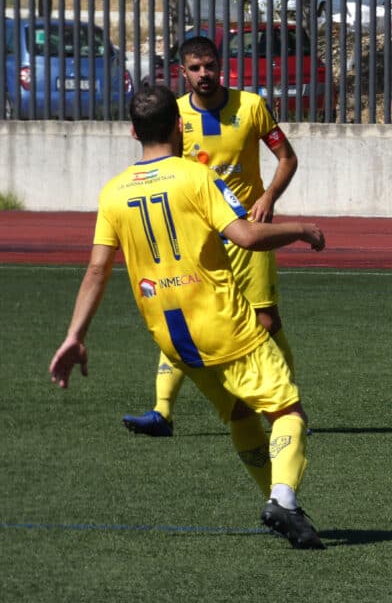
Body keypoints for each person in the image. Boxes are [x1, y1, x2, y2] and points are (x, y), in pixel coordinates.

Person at [49, 85, 328, 549]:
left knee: (240, 413)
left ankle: (285, 507)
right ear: (179, 127)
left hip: (171, 336)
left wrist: (75, 335)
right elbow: (245, 236)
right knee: (287, 411)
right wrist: (301, 230)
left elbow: (98, 267)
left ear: (133, 132)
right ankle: (283, 498)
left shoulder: (113, 192)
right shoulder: (196, 177)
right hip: (222, 322)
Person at [123, 35, 299, 437]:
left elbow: (287, 157)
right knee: (182, 318)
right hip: (198, 240)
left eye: (211, 66)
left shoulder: (251, 107)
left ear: (222, 67)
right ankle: (161, 411)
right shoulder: (173, 116)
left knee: (266, 321)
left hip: (246, 233)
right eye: (196, 68)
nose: (205, 74)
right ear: (183, 72)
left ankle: (284, 403)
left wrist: (269, 196)